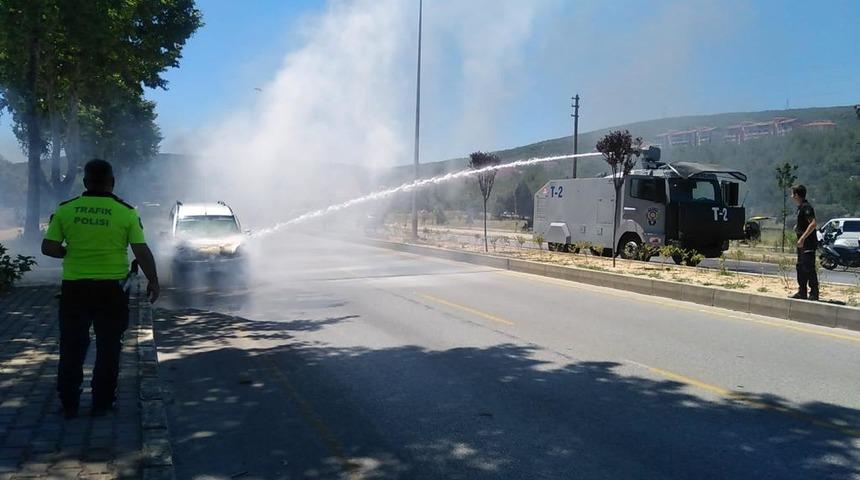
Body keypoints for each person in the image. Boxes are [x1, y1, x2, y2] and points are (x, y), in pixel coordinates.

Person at [41, 159, 159, 418]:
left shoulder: (66, 210)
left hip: (74, 289)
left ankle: (69, 401)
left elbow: (48, 248)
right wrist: (153, 280)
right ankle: (102, 402)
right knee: (109, 347)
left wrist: (70, 254)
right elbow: (141, 250)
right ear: (112, 182)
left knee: (72, 346)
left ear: (84, 182)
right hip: (112, 291)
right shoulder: (126, 212)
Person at [790, 184, 818, 301]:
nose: (791, 196)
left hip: (808, 243)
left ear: (797, 195)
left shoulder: (807, 207)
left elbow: (813, 223)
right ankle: (802, 291)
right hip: (802, 245)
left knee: (808, 268)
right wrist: (798, 227)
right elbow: (805, 223)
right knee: (800, 267)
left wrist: (802, 238)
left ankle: (814, 293)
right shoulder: (800, 208)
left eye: (793, 194)